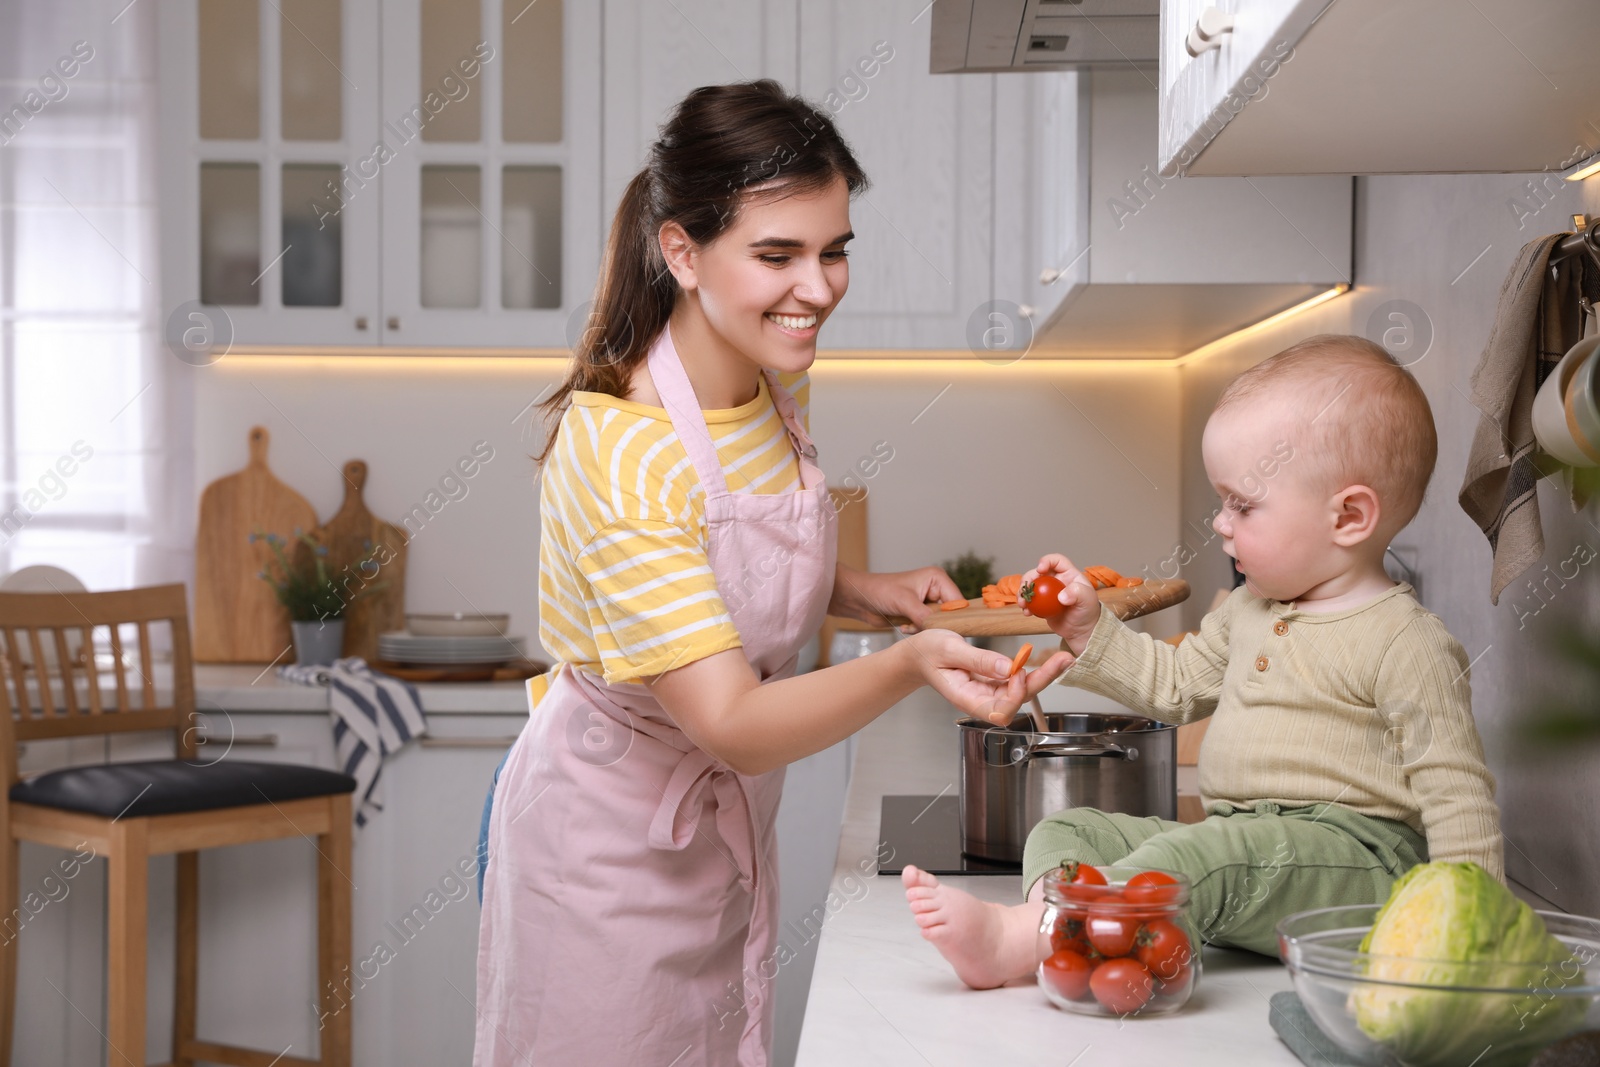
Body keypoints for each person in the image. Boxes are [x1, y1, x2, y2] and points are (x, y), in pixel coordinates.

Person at [473, 80, 1071, 1067]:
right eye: (777, 254)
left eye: (833, 249)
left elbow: (728, 551)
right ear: (682, 253)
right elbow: (734, 723)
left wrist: (864, 590)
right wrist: (907, 658)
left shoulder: (769, 374)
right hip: (606, 846)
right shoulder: (621, 449)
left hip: (717, 829)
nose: (818, 286)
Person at [901, 334, 1505, 990]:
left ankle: (1026, 939)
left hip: (1359, 865)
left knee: (1201, 853)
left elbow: (1458, 794)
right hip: (1242, 844)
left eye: (1242, 504)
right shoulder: (1248, 609)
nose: (1220, 522)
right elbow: (1173, 684)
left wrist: (1477, 934)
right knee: (1070, 827)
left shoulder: (1406, 642)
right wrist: (1088, 627)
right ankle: (1061, 925)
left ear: (1350, 516)